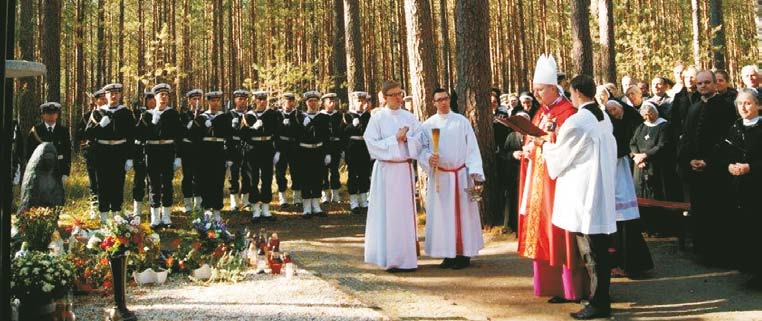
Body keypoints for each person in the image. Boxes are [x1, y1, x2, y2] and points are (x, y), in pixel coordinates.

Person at [536, 74, 617, 320]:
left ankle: (598, 302)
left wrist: (544, 144)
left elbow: (561, 156)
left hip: (584, 193)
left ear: (578, 93)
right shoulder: (602, 116)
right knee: (599, 249)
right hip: (600, 189)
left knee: (590, 250)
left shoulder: (578, 120)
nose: (569, 97)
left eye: (570, 93)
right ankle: (601, 297)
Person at [516, 54, 588, 303]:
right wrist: (527, 149)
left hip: (557, 183)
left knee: (558, 232)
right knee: (543, 233)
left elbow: (566, 145)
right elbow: (533, 138)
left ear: (553, 88)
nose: (536, 94)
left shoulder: (567, 111)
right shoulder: (540, 112)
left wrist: (542, 142)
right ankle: (551, 285)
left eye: (540, 89)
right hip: (539, 180)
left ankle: (570, 288)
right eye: (534, 90)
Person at [417, 88, 484, 269]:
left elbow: (472, 148)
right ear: (433, 103)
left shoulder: (461, 122)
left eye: (445, 98)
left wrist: (475, 174)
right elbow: (421, 149)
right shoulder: (428, 125)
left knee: (463, 215)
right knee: (443, 216)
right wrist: (429, 158)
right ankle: (447, 253)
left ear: (449, 100)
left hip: (461, 175)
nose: (443, 102)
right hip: (442, 177)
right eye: (439, 100)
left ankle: (463, 254)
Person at [677, 70, 737, 263]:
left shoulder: (726, 107)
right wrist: (689, 161)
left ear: (714, 84)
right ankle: (703, 252)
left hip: (717, 170)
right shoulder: (693, 108)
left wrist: (709, 162)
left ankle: (720, 254)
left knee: (718, 212)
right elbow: (686, 137)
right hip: (696, 171)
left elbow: (726, 139)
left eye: (707, 83)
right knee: (700, 211)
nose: (703, 86)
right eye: (700, 83)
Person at [364, 80, 422, 272]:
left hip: (403, 170)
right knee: (387, 214)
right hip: (386, 171)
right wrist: (394, 139)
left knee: (404, 215)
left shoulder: (410, 117)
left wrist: (408, 139)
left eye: (400, 93)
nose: (399, 97)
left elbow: (420, 142)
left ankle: (407, 259)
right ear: (385, 98)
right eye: (394, 94)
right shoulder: (378, 118)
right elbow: (371, 143)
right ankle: (389, 258)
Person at [602, 99, 654, 278]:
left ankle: (631, 264)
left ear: (621, 108)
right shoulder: (609, 124)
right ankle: (624, 263)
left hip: (621, 171)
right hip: (614, 169)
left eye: (614, 109)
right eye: (609, 110)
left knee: (625, 219)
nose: (613, 113)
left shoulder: (631, 121)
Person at [720, 89, 762, 288]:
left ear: (758, 105)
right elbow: (726, 152)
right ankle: (752, 271)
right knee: (746, 229)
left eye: (748, 103)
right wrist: (729, 165)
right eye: (740, 104)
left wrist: (750, 168)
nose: (743, 107)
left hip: (758, 186)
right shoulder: (735, 127)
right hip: (739, 187)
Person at [85, 83, 135, 224]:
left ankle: (117, 218)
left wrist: (130, 158)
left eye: (116, 93)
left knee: (117, 184)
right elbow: (88, 134)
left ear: (120, 95)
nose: (113, 96)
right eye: (110, 93)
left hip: (119, 153)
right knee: (102, 185)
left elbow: (131, 137)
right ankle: (104, 219)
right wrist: (100, 125)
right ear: (105, 95)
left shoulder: (126, 113)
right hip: (102, 153)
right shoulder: (97, 113)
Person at [136, 83, 182, 228]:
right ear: (154, 97)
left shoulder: (173, 114)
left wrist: (178, 156)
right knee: (153, 184)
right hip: (152, 151)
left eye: (166, 95)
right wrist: (151, 124)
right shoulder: (147, 115)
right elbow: (139, 136)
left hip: (167, 150)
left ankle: (166, 217)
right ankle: (155, 218)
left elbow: (179, 136)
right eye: (160, 95)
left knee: (167, 184)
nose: (163, 97)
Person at [630, 102, 674, 236]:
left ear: (656, 112)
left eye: (650, 113)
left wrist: (645, 155)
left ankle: (659, 227)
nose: (647, 117)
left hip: (657, 167)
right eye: (645, 114)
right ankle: (645, 225)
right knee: (641, 195)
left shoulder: (664, 126)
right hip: (640, 167)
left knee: (656, 195)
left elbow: (663, 145)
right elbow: (632, 143)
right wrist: (636, 156)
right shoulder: (641, 126)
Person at [189, 91, 232, 222]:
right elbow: (194, 137)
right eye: (212, 101)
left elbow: (229, 137)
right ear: (208, 102)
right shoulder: (201, 117)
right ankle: (207, 209)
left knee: (218, 182)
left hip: (219, 151)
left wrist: (229, 157)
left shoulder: (225, 117)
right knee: (205, 181)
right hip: (204, 152)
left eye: (217, 101)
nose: (215, 103)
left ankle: (217, 210)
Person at [240, 90, 280, 221]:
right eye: (259, 99)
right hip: (253, 149)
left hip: (267, 148)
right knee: (253, 179)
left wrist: (277, 151)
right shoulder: (247, 116)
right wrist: (252, 129)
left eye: (264, 99)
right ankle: (256, 209)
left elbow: (278, 133)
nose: (262, 102)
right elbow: (243, 135)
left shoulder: (273, 114)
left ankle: (266, 209)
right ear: (254, 101)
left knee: (267, 178)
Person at [298, 91, 331, 218]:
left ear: (319, 103)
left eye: (315, 101)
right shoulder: (299, 117)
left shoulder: (323, 117)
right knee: (305, 179)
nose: (312, 103)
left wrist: (327, 153)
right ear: (306, 102)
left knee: (318, 178)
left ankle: (316, 206)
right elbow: (296, 137)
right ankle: (306, 207)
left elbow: (327, 137)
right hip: (304, 152)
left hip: (318, 151)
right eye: (310, 101)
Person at [26, 102, 71, 183]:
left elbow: (67, 152)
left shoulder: (63, 131)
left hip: (59, 169)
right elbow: (29, 152)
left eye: (54, 113)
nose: (51, 116)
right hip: (40, 170)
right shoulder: (36, 131)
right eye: (48, 113)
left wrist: (66, 173)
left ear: (57, 115)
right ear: (43, 115)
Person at [77, 89, 106, 218]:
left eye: (106, 97)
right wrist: (85, 150)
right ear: (95, 100)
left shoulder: (112, 114)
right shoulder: (88, 116)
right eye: (101, 98)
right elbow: (80, 135)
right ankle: (94, 207)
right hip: (92, 153)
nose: (104, 100)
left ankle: (106, 207)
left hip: (107, 153)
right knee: (94, 181)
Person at [344, 91, 372, 214]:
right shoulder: (348, 116)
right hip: (352, 149)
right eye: (358, 101)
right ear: (353, 102)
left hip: (365, 148)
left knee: (364, 174)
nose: (361, 103)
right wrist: (351, 126)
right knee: (353, 175)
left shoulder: (368, 116)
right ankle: (354, 201)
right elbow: (343, 133)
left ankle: (364, 200)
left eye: (363, 101)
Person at [275, 92, 304, 209]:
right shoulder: (277, 114)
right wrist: (276, 150)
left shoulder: (298, 114)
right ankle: (282, 198)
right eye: (288, 100)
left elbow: (302, 131)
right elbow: (274, 132)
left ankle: (297, 198)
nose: (290, 103)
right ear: (283, 102)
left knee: (296, 172)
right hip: (281, 146)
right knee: (280, 173)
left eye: (292, 101)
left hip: (295, 146)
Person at [179, 89, 204, 213]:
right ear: (189, 101)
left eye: (199, 99)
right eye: (194, 99)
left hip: (200, 148)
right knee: (187, 176)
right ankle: (188, 203)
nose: (197, 101)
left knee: (200, 176)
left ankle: (198, 203)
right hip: (187, 149)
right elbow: (180, 133)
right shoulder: (183, 115)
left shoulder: (205, 115)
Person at [227, 89, 252, 211]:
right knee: (233, 174)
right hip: (234, 147)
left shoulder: (251, 114)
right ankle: (234, 202)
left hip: (247, 146)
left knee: (247, 174)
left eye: (244, 99)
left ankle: (246, 201)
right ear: (235, 100)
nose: (242, 102)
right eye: (240, 99)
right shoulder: (229, 115)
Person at [130, 90, 153, 218]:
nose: (151, 101)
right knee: (139, 180)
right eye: (149, 99)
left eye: (153, 99)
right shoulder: (138, 114)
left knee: (153, 181)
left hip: (153, 150)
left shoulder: (157, 115)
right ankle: (137, 210)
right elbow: (134, 132)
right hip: (139, 150)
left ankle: (152, 207)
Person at [321, 93, 344, 204]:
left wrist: (343, 149)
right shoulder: (320, 116)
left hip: (336, 146)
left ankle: (335, 193)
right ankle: (325, 194)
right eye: (329, 101)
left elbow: (343, 133)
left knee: (334, 171)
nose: (332, 103)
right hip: (324, 147)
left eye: (334, 101)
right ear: (324, 103)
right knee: (323, 172)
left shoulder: (339, 115)